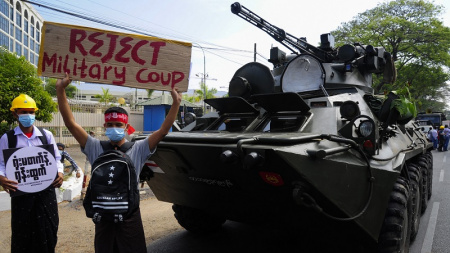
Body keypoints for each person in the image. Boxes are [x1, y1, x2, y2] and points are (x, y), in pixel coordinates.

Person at [56, 73, 181, 253]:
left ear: (125, 126)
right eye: (111, 124)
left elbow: (162, 131)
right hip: (104, 216)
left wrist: (176, 103)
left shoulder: (138, 148)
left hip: (129, 216)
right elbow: (71, 124)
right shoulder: (94, 146)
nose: (114, 127)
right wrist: (60, 90)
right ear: (105, 127)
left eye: (118, 124)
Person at [0, 94, 64, 253]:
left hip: (46, 193)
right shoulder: (7, 138)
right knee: (23, 233)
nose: (28, 115)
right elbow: (1, 163)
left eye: (31, 112)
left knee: (48, 230)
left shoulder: (46, 135)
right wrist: (1, 177)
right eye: (23, 112)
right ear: (15, 114)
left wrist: (60, 172)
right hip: (21, 195)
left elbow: (57, 158)